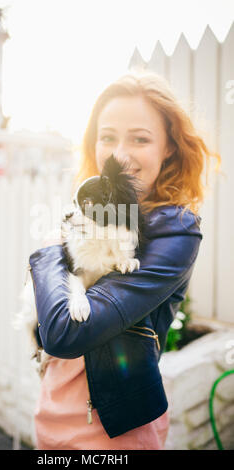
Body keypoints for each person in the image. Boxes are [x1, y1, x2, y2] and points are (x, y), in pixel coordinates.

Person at [29, 69, 221, 450]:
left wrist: (47, 252)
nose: (120, 153)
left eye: (140, 138)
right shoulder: (88, 210)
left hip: (114, 434)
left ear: (169, 147)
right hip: (51, 419)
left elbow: (66, 330)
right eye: (108, 137)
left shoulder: (174, 229)